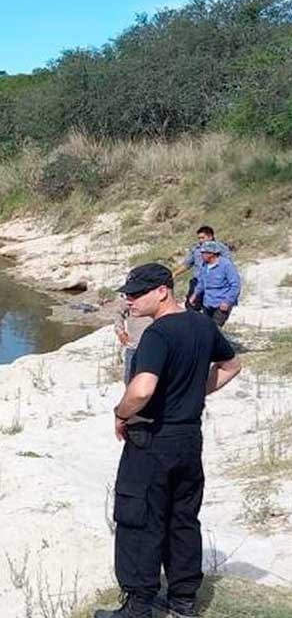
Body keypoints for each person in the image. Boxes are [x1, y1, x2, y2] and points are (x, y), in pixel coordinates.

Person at [95, 263, 241, 618]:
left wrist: (121, 413)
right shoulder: (202, 324)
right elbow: (232, 365)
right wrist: (195, 394)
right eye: (127, 295)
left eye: (136, 294)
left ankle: (139, 604)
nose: (129, 301)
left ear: (162, 290)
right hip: (189, 437)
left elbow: (143, 388)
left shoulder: (158, 334)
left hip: (153, 438)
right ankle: (182, 600)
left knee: (139, 517)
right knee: (182, 517)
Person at [172, 225, 230, 312]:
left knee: (209, 310)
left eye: (202, 238)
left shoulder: (221, 249)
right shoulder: (196, 248)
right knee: (191, 307)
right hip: (197, 281)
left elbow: (228, 267)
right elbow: (187, 264)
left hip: (214, 284)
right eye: (199, 238)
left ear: (210, 236)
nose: (200, 240)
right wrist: (175, 273)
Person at [196, 240, 241, 328]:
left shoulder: (226, 265)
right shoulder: (204, 266)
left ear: (212, 253)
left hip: (221, 303)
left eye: (203, 253)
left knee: (215, 328)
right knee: (205, 327)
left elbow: (235, 285)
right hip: (207, 302)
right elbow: (201, 282)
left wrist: (228, 301)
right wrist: (195, 295)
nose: (201, 255)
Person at [114, 308, 153, 384]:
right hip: (133, 347)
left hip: (152, 347)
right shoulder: (131, 298)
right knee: (129, 379)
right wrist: (120, 332)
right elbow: (119, 312)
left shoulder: (157, 298)